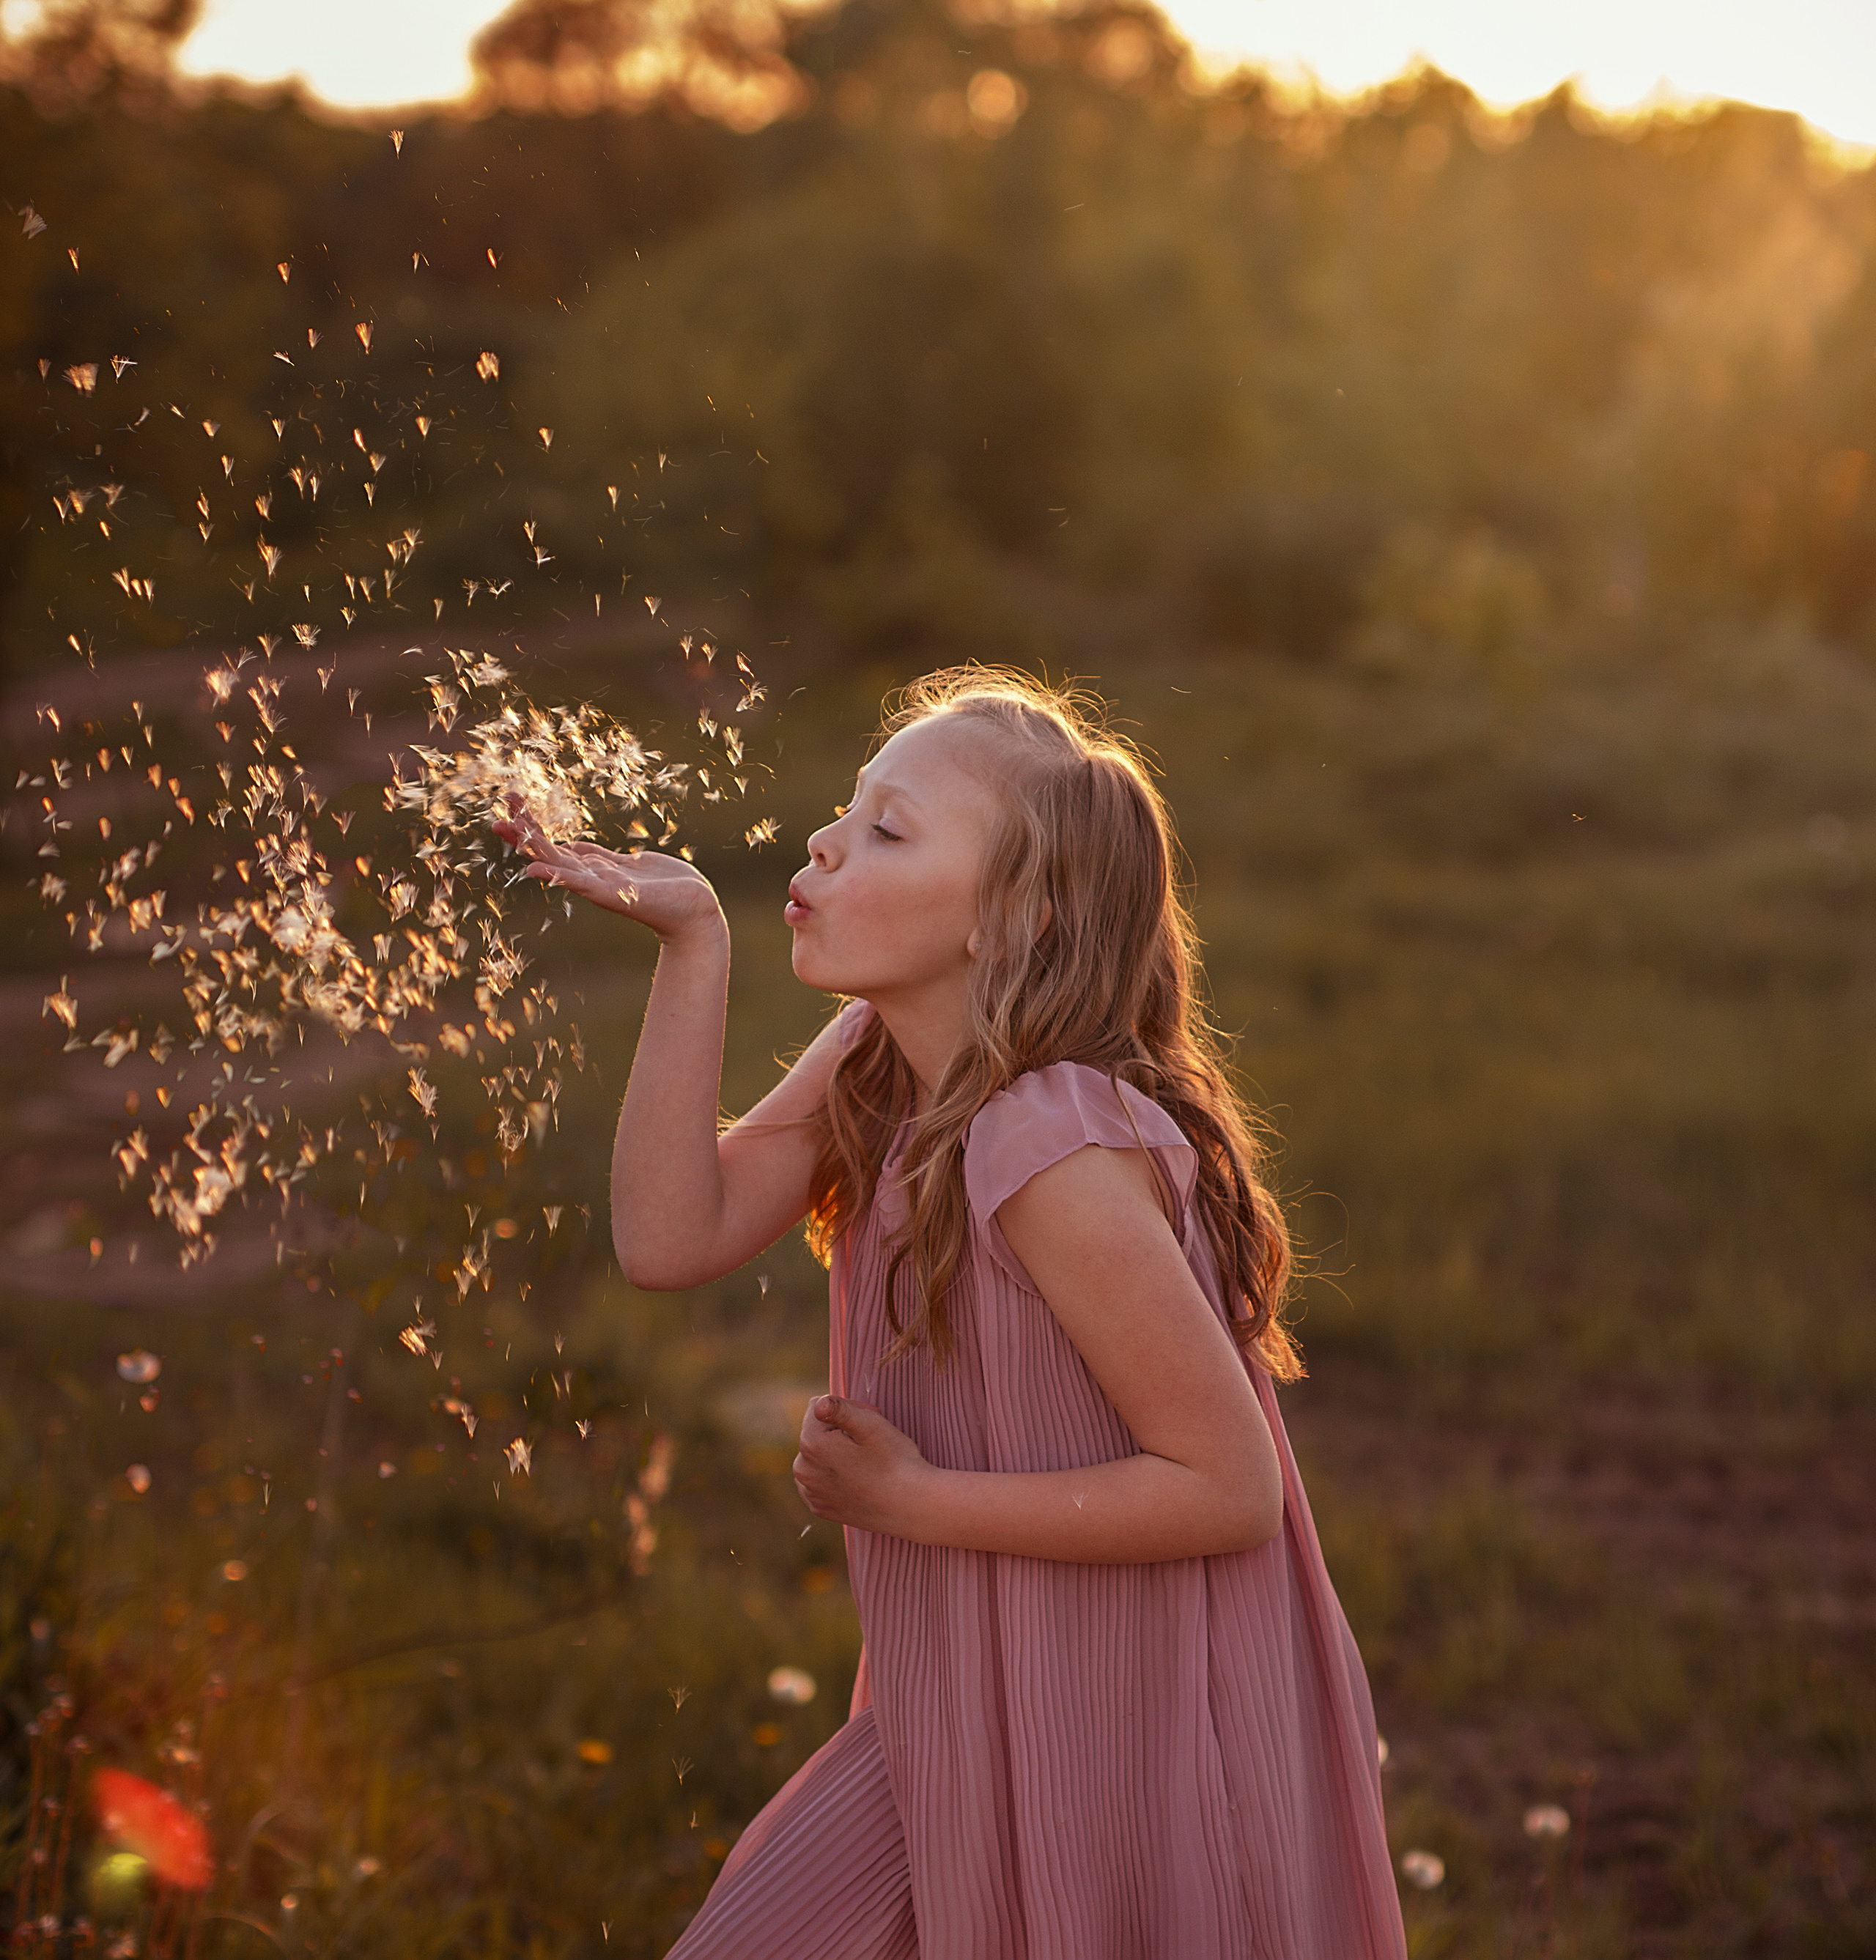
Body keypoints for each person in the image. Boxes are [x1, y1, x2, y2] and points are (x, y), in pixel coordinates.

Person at [497, 668, 1408, 1960]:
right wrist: (694, 945)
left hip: (1122, 1720)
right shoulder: (881, 1056)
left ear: (1011, 920)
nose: (826, 842)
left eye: (889, 830)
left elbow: (1228, 1488)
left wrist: (914, 1500)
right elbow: (669, 1236)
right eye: (847, 808)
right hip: (954, 1712)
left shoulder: (1050, 1146)